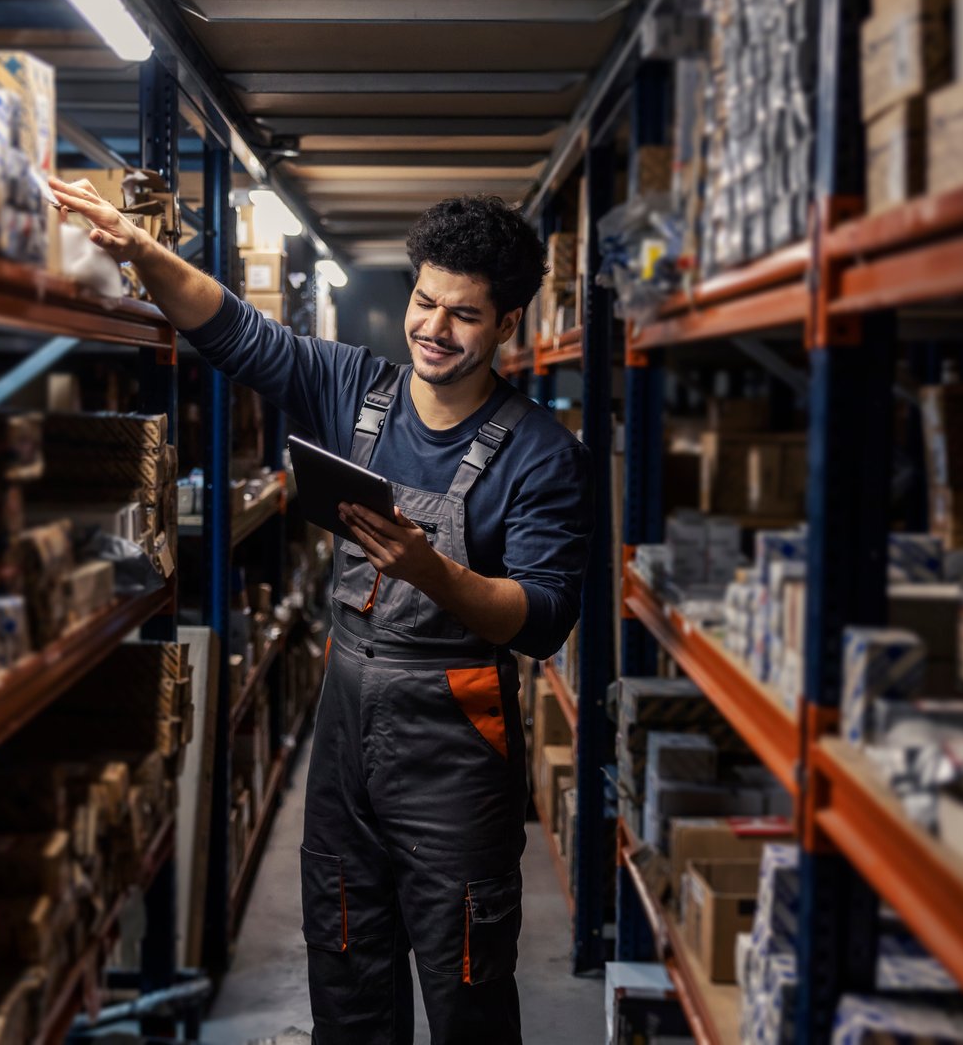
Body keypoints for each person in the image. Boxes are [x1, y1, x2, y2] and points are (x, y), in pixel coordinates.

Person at [51, 179, 592, 1045]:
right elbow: (233, 330)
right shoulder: (354, 389)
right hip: (344, 730)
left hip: (453, 744)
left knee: (465, 994)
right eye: (424, 302)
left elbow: (541, 619)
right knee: (345, 972)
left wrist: (432, 571)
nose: (433, 329)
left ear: (507, 326)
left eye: (463, 315)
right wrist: (139, 250)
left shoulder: (541, 456)